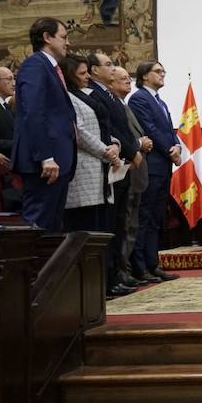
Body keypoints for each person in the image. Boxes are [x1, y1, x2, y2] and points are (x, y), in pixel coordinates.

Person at [60, 55, 129, 299]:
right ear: (70, 75)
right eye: (81, 73)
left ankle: (106, 281)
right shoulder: (68, 98)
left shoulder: (86, 96)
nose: (87, 76)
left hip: (102, 170)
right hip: (85, 172)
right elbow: (78, 130)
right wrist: (105, 151)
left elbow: (104, 128)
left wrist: (116, 145)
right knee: (88, 230)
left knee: (104, 229)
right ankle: (91, 287)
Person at [11, 17, 77, 231]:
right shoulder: (35, 65)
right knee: (39, 225)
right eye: (64, 37)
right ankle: (33, 266)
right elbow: (33, 113)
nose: (68, 43)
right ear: (47, 37)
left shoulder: (50, 68)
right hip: (45, 163)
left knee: (52, 227)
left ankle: (48, 265)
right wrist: (46, 157)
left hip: (57, 160)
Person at [87, 53, 144, 289]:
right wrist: (132, 151)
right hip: (111, 163)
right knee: (111, 224)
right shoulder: (94, 94)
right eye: (108, 65)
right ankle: (110, 278)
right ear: (94, 71)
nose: (113, 68)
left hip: (120, 164)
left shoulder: (109, 94)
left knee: (121, 222)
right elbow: (110, 128)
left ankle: (117, 275)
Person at [128, 61, 181, 284]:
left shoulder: (159, 101)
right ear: (144, 76)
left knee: (156, 217)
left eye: (163, 71)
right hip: (151, 164)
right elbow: (150, 128)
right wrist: (170, 150)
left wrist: (177, 144)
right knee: (145, 215)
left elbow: (168, 129)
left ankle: (153, 263)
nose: (162, 75)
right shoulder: (139, 98)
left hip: (163, 165)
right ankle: (140, 266)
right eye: (158, 72)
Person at [111, 66, 152, 287]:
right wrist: (139, 144)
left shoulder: (124, 105)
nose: (129, 81)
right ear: (110, 82)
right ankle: (122, 271)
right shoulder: (114, 105)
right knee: (125, 224)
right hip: (124, 170)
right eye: (123, 79)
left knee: (132, 224)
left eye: (129, 78)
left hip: (136, 173)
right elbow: (119, 136)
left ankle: (127, 270)